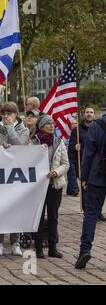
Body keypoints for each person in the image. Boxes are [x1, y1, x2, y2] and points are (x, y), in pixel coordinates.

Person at [0, 102, 29, 257]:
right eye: (4, 114)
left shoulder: (23, 130)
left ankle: (15, 242)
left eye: (9, 114)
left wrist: (10, 130)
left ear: (15, 115)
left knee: (15, 210)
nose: (6, 117)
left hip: (15, 176)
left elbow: (20, 145)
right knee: (0, 210)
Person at [31, 115, 69, 259]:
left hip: (55, 185)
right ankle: (39, 248)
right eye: (48, 124)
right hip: (39, 186)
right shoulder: (34, 143)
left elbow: (66, 164)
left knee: (53, 217)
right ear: (41, 126)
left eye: (53, 124)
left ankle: (53, 248)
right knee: (39, 217)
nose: (52, 126)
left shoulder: (59, 142)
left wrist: (56, 172)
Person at [74, 113, 106, 269]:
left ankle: (85, 249)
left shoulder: (96, 125)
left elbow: (87, 155)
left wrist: (84, 177)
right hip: (97, 174)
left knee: (91, 213)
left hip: (97, 175)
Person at [67, 108, 105, 219]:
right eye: (87, 112)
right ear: (84, 115)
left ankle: (98, 211)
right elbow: (71, 146)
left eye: (91, 112)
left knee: (98, 190)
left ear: (94, 114)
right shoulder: (77, 130)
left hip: (98, 164)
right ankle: (87, 211)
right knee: (85, 188)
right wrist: (75, 147)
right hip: (84, 163)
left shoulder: (99, 128)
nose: (89, 114)